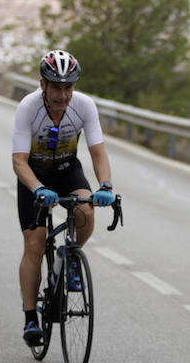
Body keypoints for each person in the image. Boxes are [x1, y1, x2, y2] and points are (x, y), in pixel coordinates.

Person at [11, 50, 117, 347]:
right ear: (42, 84)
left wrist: (105, 186)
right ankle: (31, 317)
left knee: (86, 211)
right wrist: (37, 188)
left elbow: (98, 151)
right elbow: (18, 160)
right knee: (34, 243)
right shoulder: (28, 107)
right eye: (56, 87)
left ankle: (69, 258)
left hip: (68, 171)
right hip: (33, 176)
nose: (62, 94)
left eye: (68, 87)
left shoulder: (84, 106)